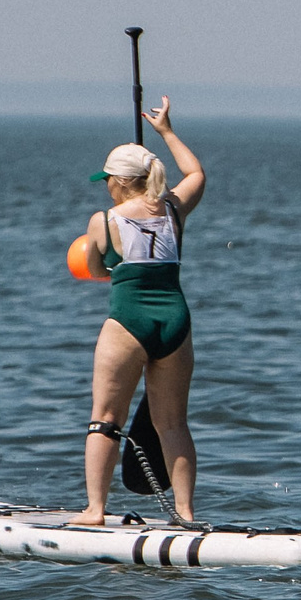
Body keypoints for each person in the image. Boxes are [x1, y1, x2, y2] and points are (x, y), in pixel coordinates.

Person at [73, 99, 205, 526]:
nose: (105, 187)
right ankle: (185, 512)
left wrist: (105, 262)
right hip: (175, 322)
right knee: (172, 425)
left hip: (129, 321)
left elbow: (95, 269)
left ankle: (94, 511)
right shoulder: (173, 209)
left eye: (108, 180)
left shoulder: (103, 219)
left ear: (120, 182)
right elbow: (197, 174)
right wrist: (166, 131)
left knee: (105, 420)